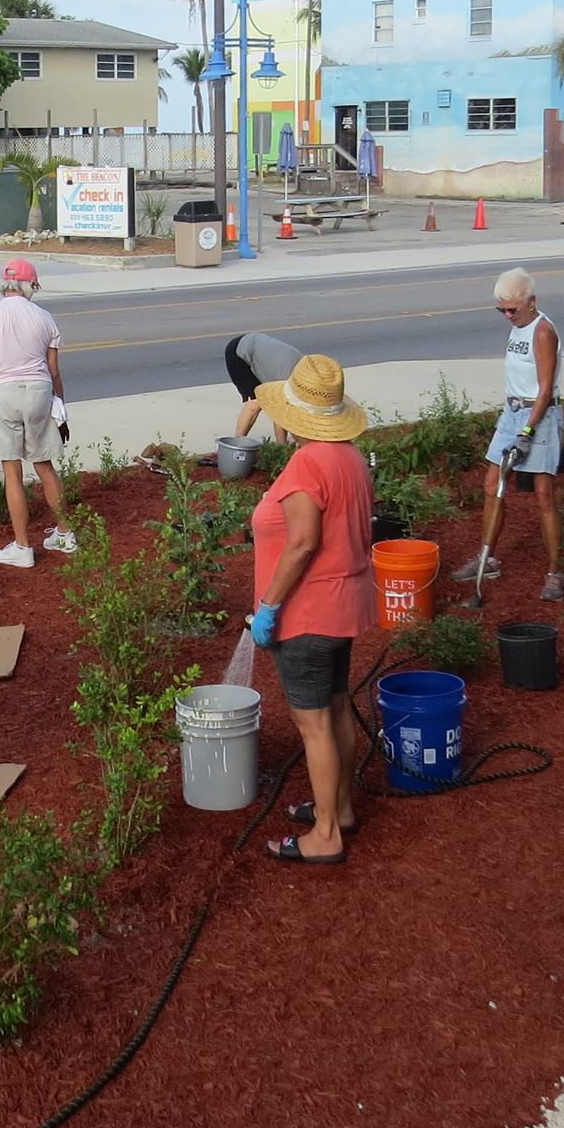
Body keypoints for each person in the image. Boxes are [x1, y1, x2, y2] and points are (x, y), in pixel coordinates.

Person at [246, 355, 378, 865]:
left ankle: (325, 836)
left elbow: (302, 543)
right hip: (344, 606)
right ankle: (339, 809)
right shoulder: (350, 457)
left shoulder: (306, 464)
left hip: (308, 613)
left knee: (314, 723)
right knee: (337, 707)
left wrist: (269, 606)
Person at [0, 258, 75, 568]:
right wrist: (60, 406)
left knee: (12, 471)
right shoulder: (45, 317)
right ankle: (65, 534)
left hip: (2, 393)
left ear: (5, 284)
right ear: (31, 285)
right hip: (39, 391)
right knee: (44, 465)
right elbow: (54, 370)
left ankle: (22, 547)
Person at [458, 268, 564, 602]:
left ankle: (554, 573)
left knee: (544, 495)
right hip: (512, 411)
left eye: (512, 309)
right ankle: (486, 559)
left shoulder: (543, 332)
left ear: (532, 301)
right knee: (492, 485)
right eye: (501, 310)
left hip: (539, 414)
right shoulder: (517, 327)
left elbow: (545, 389)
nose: (507, 315)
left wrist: (528, 431)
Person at [225, 331, 304, 442]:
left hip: (259, 347)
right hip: (239, 352)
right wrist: (282, 448)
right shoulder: (285, 381)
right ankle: (236, 444)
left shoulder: (304, 370)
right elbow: (279, 415)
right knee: (255, 404)